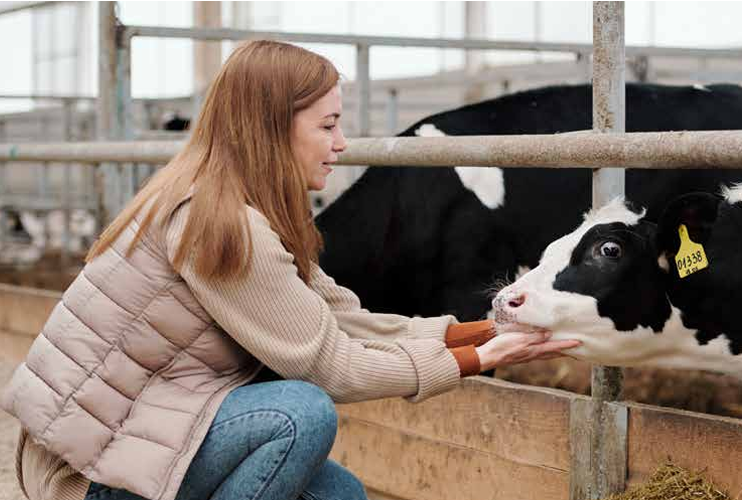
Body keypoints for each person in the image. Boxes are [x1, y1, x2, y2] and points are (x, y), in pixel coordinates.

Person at [0, 40, 579, 500]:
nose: (342, 142)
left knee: (341, 495)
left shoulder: (243, 205)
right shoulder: (222, 224)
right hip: (89, 472)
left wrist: (482, 331)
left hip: (137, 437)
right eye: (327, 125)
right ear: (273, 128)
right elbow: (331, 368)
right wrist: (475, 361)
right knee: (296, 415)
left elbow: (342, 319)